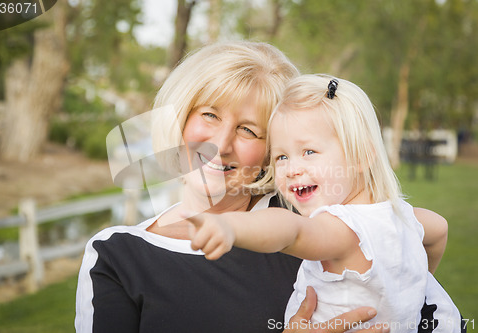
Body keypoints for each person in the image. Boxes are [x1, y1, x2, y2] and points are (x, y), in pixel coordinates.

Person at [75, 42, 463, 333]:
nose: (221, 144)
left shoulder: (314, 220)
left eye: (248, 130)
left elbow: (411, 279)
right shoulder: (116, 254)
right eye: (209, 114)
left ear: (270, 150)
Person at [184, 74, 464, 332]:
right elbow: (440, 230)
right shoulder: (402, 216)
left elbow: (290, 230)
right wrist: (414, 283)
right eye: (281, 157)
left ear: (361, 156)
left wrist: (231, 227)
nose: (292, 169)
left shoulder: (343, 229)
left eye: (309, 151)